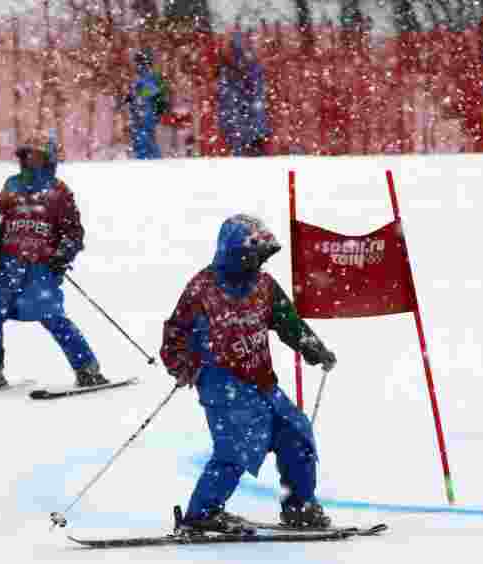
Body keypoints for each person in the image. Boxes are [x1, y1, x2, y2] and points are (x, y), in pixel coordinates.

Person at [160, 214, 337, 533]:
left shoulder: (264, 285)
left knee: (296, 433)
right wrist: (181, 364)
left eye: (263, 256)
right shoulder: (202, 288)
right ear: (234, 253)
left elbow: (288, 323)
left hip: (262, 380)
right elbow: (175, 333)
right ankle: (203, 513)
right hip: (221, 381)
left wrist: (314, 349)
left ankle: (300, 506)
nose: (259, 263)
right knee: (237, 447)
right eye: (253, 256)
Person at [0, 131, 109, 390]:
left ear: (48, 159)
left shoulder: (59, 192)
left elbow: (73, 231)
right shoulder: (11, 186)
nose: (31, 160)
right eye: (27, 155)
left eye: (37, 156)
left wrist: (62, 255)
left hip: (40, 268)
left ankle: (87, 369)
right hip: (6, 266)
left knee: (52, 316)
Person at [217, 32, 271, 157]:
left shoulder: (235, 69)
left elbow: (227, 96)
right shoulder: (235, 69)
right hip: (243, 121)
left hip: (242, 121)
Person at [126, 48, 167, 160]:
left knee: (144, 139)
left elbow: (153, 90)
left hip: (145, 113)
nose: (137, 65)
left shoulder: (148, 75)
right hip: (142, 113)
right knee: (143, 139)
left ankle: (150, 160)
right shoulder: (143, 75)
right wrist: (132, 97)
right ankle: (149, 159)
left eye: (138, 62)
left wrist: (137, 94)